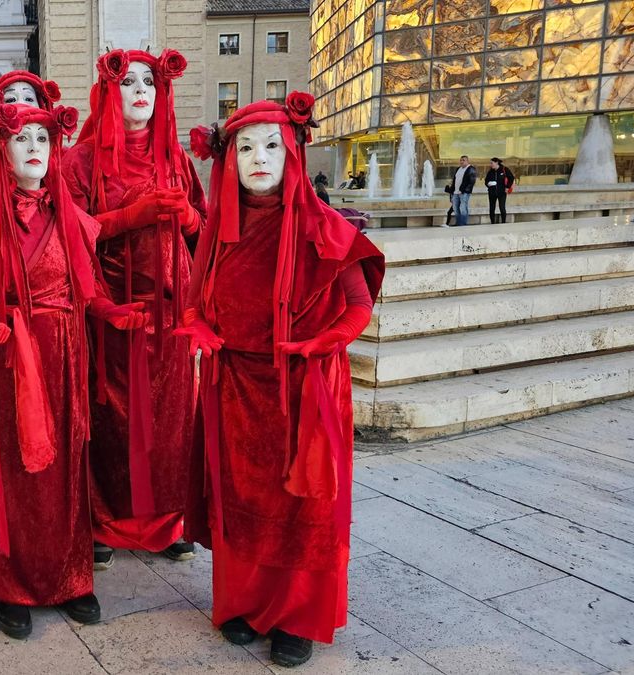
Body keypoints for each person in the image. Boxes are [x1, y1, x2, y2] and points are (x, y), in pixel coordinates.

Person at [181, 93, 384, 667]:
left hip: (304, 387)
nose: (259, 158)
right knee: (242, 499)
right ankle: (245, 605)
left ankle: (297, 617)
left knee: (301, 506)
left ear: (294, 154)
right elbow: (194, 302)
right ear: (229, 161)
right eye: (245, 148)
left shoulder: (325, 227)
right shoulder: (219, 233)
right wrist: (199, 326)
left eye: (272, 146)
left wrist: (327, 341)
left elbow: (357, 305)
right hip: (236, 388)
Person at [0, 99, 147, 639]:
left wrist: (112, 312)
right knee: (12, 471)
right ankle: (9, 587)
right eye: (21, 139)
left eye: (43, 139)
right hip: (4, 358)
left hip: (63, 355)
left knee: (64, 468)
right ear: (1, 150)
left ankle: (70, 578)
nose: (34, 148)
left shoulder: (68, 214)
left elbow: (86, 287)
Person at [63, 48, 206, 570]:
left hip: (170, 314)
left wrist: (187, 216)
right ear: (108, 92)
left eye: (150, 82)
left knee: (170, 421)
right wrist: (133, 215)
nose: (141, 90)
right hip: (110, 311)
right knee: (113, 420)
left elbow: (205, 233)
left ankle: (167, 521)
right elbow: (68, 234)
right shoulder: (80, 161)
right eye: (128, 82)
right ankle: (105, 522)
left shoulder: (176, 159)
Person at [485, 158, 514, 224]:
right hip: (492, 192)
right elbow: (486, 181)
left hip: (502, 192)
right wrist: (489, 184)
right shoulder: (490, 171)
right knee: (492, 208)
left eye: (492, 163)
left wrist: (507, 187)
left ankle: (503, 222)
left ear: (496, 163)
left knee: (502, 207)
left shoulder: (504, 169)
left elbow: (511, 178)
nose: (491, 165)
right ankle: (492, 222)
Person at [452, 155, 476, 226]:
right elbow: (455, 180)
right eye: (460, 160)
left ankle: (463, 223)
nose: (461, 161)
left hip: (464, 192)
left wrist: (463, 190)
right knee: (455, 208)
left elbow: (471, 182)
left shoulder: (471, 169)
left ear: (467, 161)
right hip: (456, 192)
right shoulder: (458, 169)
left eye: (463, 160)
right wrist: (452, 189)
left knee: (463, 207)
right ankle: (458, 222)